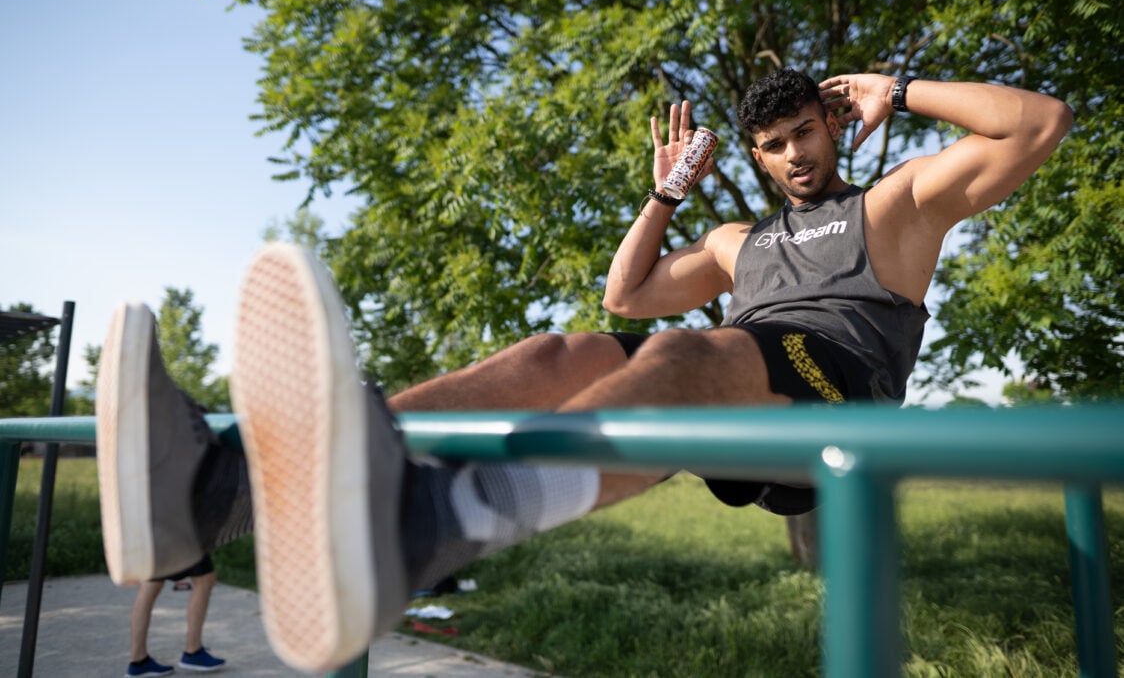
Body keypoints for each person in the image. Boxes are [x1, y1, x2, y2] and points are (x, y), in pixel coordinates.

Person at [94, 70, 1071, 673]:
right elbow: (626, 297)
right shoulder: (738, 240)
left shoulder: (894, 207)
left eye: (802, 136)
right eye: (769, 148)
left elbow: (1033, 124)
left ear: (828, 121)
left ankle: (427, 527)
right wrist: (661, 194)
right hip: (741, 388)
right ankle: (215, 492)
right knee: (548, 354)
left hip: (836, 405)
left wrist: (891, 87)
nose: (789, 157)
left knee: (697, 348)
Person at [126, 555, 226, 676]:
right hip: (179, 539)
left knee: (150, 584)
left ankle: (138, 660)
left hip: (152, 539)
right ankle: (193, 651)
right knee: (204, 579)